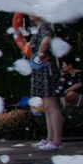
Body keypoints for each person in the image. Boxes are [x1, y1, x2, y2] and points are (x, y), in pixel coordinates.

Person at [27, 15, 64, 150]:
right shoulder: (38, 28)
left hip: (47, 70)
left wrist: (39, 55)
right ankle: (50, 138)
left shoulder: (46, 27)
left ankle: (57, 140)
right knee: (47, 107)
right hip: (41, 71)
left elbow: (47, 40)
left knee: (52, 106)